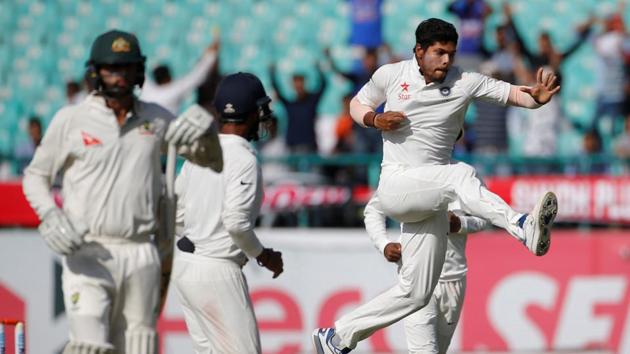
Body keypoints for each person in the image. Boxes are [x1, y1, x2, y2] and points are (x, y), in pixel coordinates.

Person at [312, 18, 559, 353]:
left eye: (451, 54)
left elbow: (516, 95)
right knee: (460, 175)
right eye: (439, 53)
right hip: (397, 185)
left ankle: (336, 337)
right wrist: (374, 119)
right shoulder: (392, 75)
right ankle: (520, 225)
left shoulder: (466, 81)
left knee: (415, 293)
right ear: (419, 51)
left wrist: (537, 98)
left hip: (430, 199)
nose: (446, 60)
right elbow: (358, 103)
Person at [22, 29, 222, 354]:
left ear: (138, 71)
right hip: (88, 251)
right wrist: (49, 214)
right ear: (95, 72)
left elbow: (210, 161)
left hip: (142, 251)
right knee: (89, 346)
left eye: (127, 68)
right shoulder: (72, 119)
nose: (119, 77)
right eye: (111, 69)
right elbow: (35, 175)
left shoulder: (156, 119)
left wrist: (208, 135)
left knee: (138, 347)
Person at [172, 72, 284, 353]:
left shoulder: (199, 152)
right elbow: (235, 222)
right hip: (217, 270)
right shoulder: (244, 159)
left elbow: (176, 216)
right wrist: (264, 256)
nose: (264, 116)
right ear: (252, 113)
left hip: (185, 265)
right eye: (261, 109)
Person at [364, 194, 490, 354]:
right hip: (416, 276)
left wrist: (461, 223)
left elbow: (485, 218)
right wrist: (384, 244)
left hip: (453, 280)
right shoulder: (408, 173)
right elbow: (373, 210)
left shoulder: (463, 175)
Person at [140, 39, 220, 115]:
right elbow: (197, 75)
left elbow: (139, 69)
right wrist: (211, 55)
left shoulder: (147, 90)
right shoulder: (173, 90)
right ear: (168, 76)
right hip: (168, 128)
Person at [269, 64, 327, 153]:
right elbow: (278, 90)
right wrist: (272, 73)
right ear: (293, 85)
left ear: (304, 83)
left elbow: (323, 85)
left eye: (300, 82)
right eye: (296, 83)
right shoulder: (290, 104)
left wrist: (318, 69)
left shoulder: (311, 102)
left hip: (309, 145)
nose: (298, 86)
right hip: (292, 145)